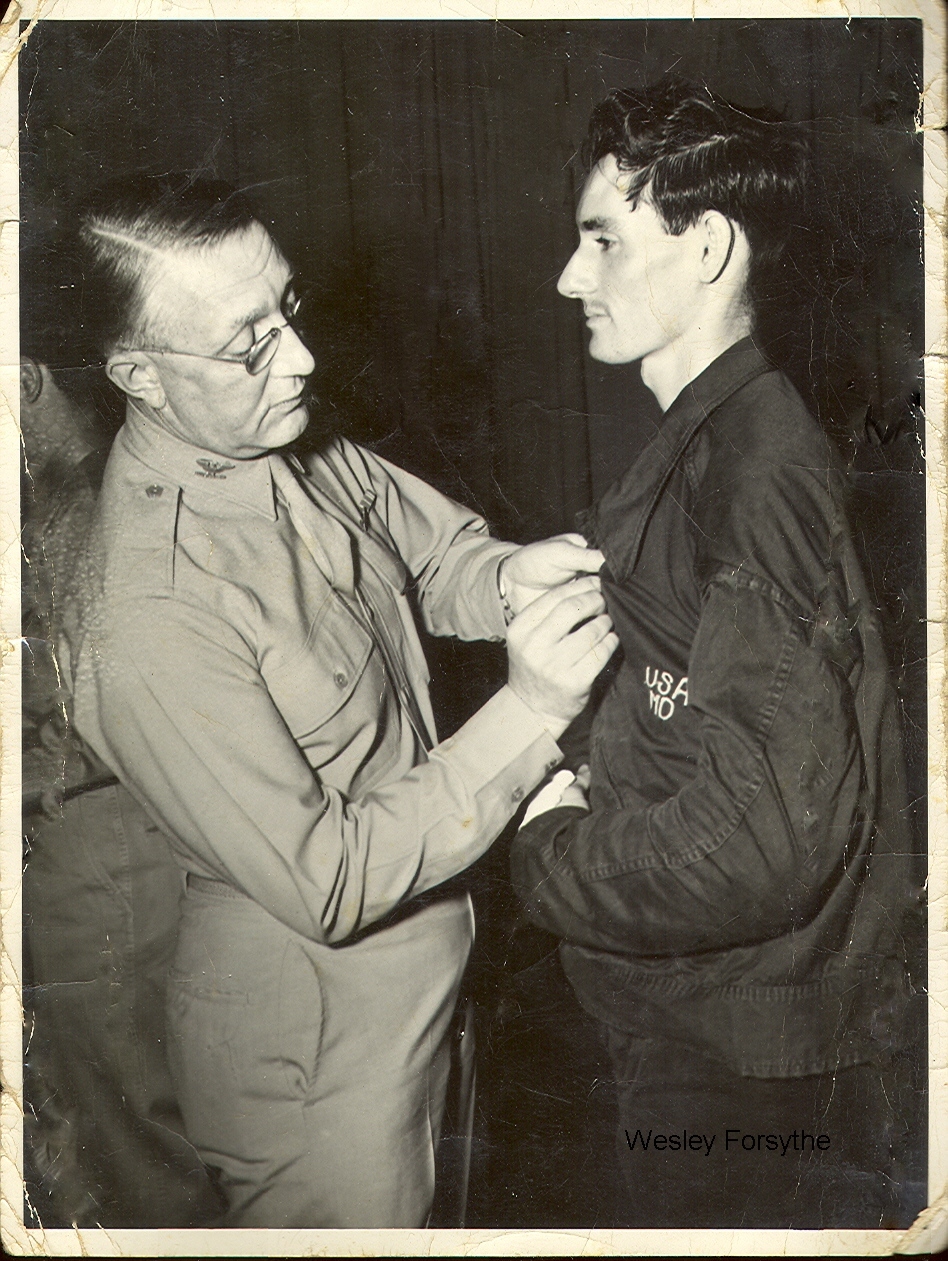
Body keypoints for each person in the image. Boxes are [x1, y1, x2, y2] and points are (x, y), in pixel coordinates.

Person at [65, 173, 618, 1229]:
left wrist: (511, 578)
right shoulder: (147, 612)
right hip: (318, 1069)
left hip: (425, 993)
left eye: (291, 310)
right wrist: (534, 709)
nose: (302, 358)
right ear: (138, 373)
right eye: (249, 342)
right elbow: (329, 880)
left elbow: (435, 552)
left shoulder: (275, 438)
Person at [510, 79, 916, 1229]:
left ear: (709, 247)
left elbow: (757, 842)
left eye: (602, 240)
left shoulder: (757, 467)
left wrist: (549, 846)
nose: (568, 277)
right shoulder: (713, 439)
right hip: (698, 1007)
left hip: (727, 1038)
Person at [20, 245, 221, 1227]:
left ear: (23, 382)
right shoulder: (92, 494)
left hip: (98, 859)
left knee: (139, 1157)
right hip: (99, 857)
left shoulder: (78, 510)